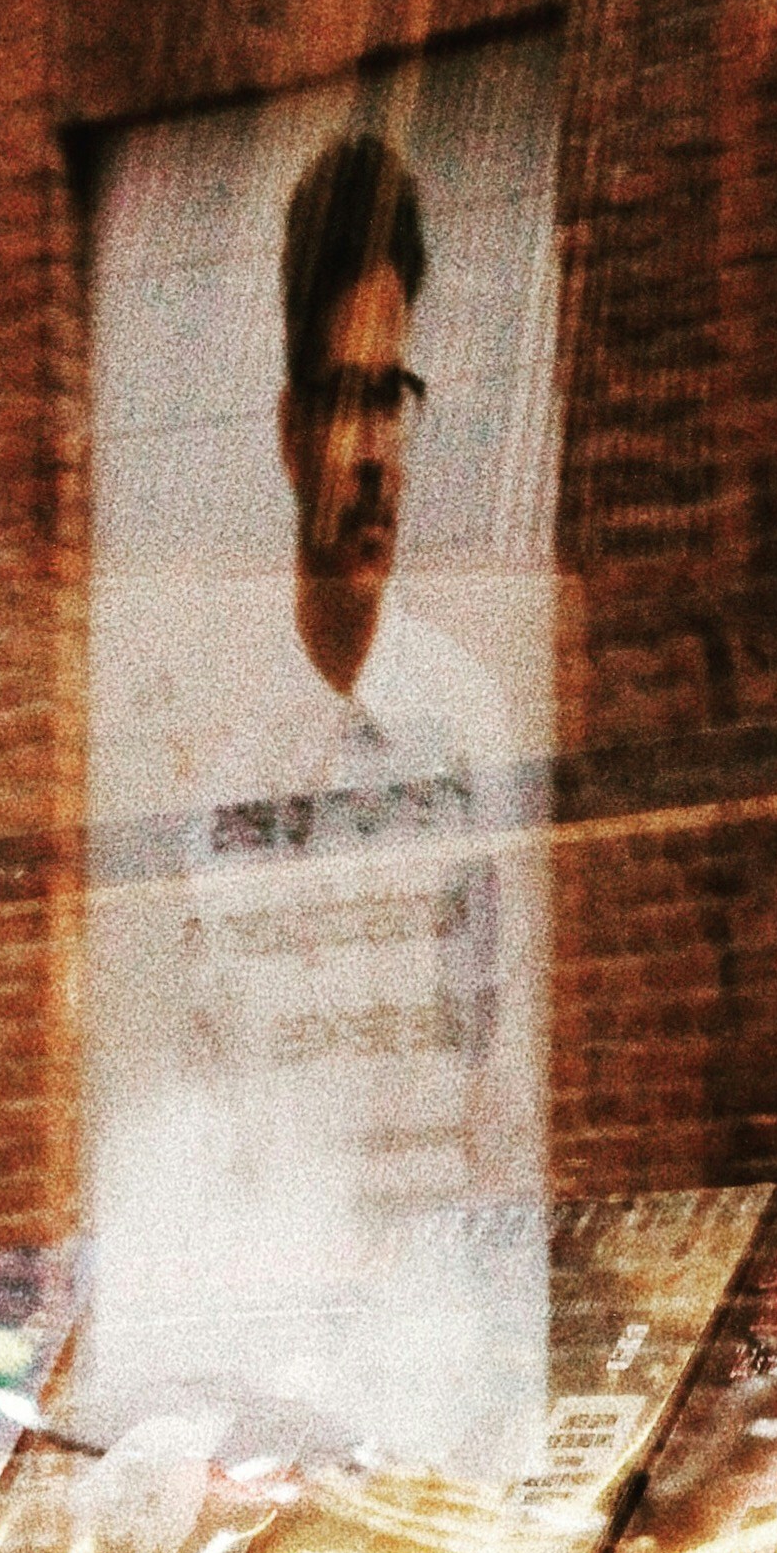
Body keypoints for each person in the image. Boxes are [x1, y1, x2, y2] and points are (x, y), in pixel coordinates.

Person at [164, 130, 519, 1261]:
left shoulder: (470, 728)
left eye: (392, 397)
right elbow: (204, 1106)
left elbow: (503, 1096)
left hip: (436, 1344)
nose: (374, 455)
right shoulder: (226, 774)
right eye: (341, 403)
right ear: (288, 433)